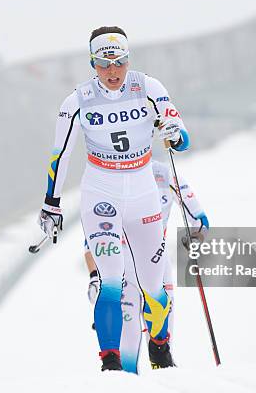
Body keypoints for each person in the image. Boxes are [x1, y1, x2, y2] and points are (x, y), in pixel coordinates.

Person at [38, 26, 190, 371]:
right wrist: (52, 204)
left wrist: (175, 134)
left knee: (153, 284)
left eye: (118, 62)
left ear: (127, 60)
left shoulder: (149, 87)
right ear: (92, 64)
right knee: (111, 276)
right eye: (103, 64)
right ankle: (111, 361)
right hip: (100, 194)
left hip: (142, 194)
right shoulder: (76, 101)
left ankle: (160, 344)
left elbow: (182, 137)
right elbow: (60, 155)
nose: (112, 72)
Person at [85, 160, 209, 373]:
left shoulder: (164, 173)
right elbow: (90, 243)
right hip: (121, 274)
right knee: (125, 362)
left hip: (157, 268)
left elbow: (199, 219)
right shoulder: (108, 175)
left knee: (161, 354)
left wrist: (197, 236)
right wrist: (95, 277)